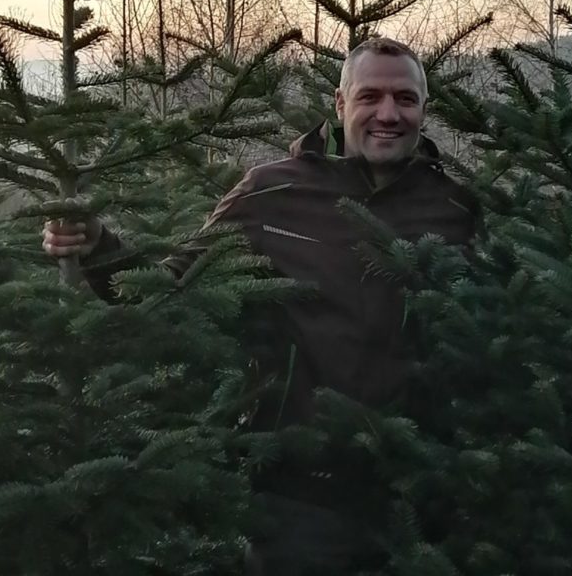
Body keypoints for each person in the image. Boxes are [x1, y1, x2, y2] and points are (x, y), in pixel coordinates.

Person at [43, 37, 483, 574]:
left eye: (405, 99)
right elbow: (172, 288)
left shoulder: (455, 208)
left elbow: (489, 333)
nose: (388, 114)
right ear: (340, 104)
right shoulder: (271, 193)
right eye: (370, 97)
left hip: (421, 500)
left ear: (423, 109)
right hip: (299, 501)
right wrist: (99, 248)